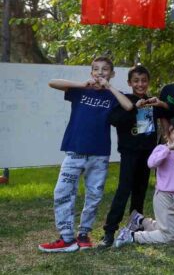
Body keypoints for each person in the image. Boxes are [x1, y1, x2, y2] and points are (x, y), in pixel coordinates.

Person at [38, 57, 134, 253]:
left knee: (94, 196)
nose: (100, 73)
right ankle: (66, 238)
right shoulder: (80, 91)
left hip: (99, 155)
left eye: (105, 70)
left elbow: (129, 106)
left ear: (112, 74)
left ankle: (83, 235)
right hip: (75, 151)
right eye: (96, 69)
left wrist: (110, 88)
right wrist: (82, 84)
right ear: (91, 73)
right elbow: (53, 83)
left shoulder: (112, 96)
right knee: (63, 192)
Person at [99, 65, 168, 248]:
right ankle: (109, 231)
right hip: (129, 152)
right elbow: (114, 120)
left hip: (147, 153)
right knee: (124, 190)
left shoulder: (151, 101)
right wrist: (133, 109)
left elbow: (170, 111)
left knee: (140, 191)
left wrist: (160, 103)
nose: (140, 84)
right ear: (129, 83)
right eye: (136, 81)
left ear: (148, 82)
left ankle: (134, 227)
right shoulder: (124, 100)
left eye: (144, 80)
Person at [114, 117, 174, 247]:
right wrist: (168, 148)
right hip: (165, 196)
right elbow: (151, 163)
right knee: (170, 236)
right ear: (170, 130)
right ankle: (131, 236)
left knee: (173, 229)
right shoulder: (161, 148)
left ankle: (140, 221)